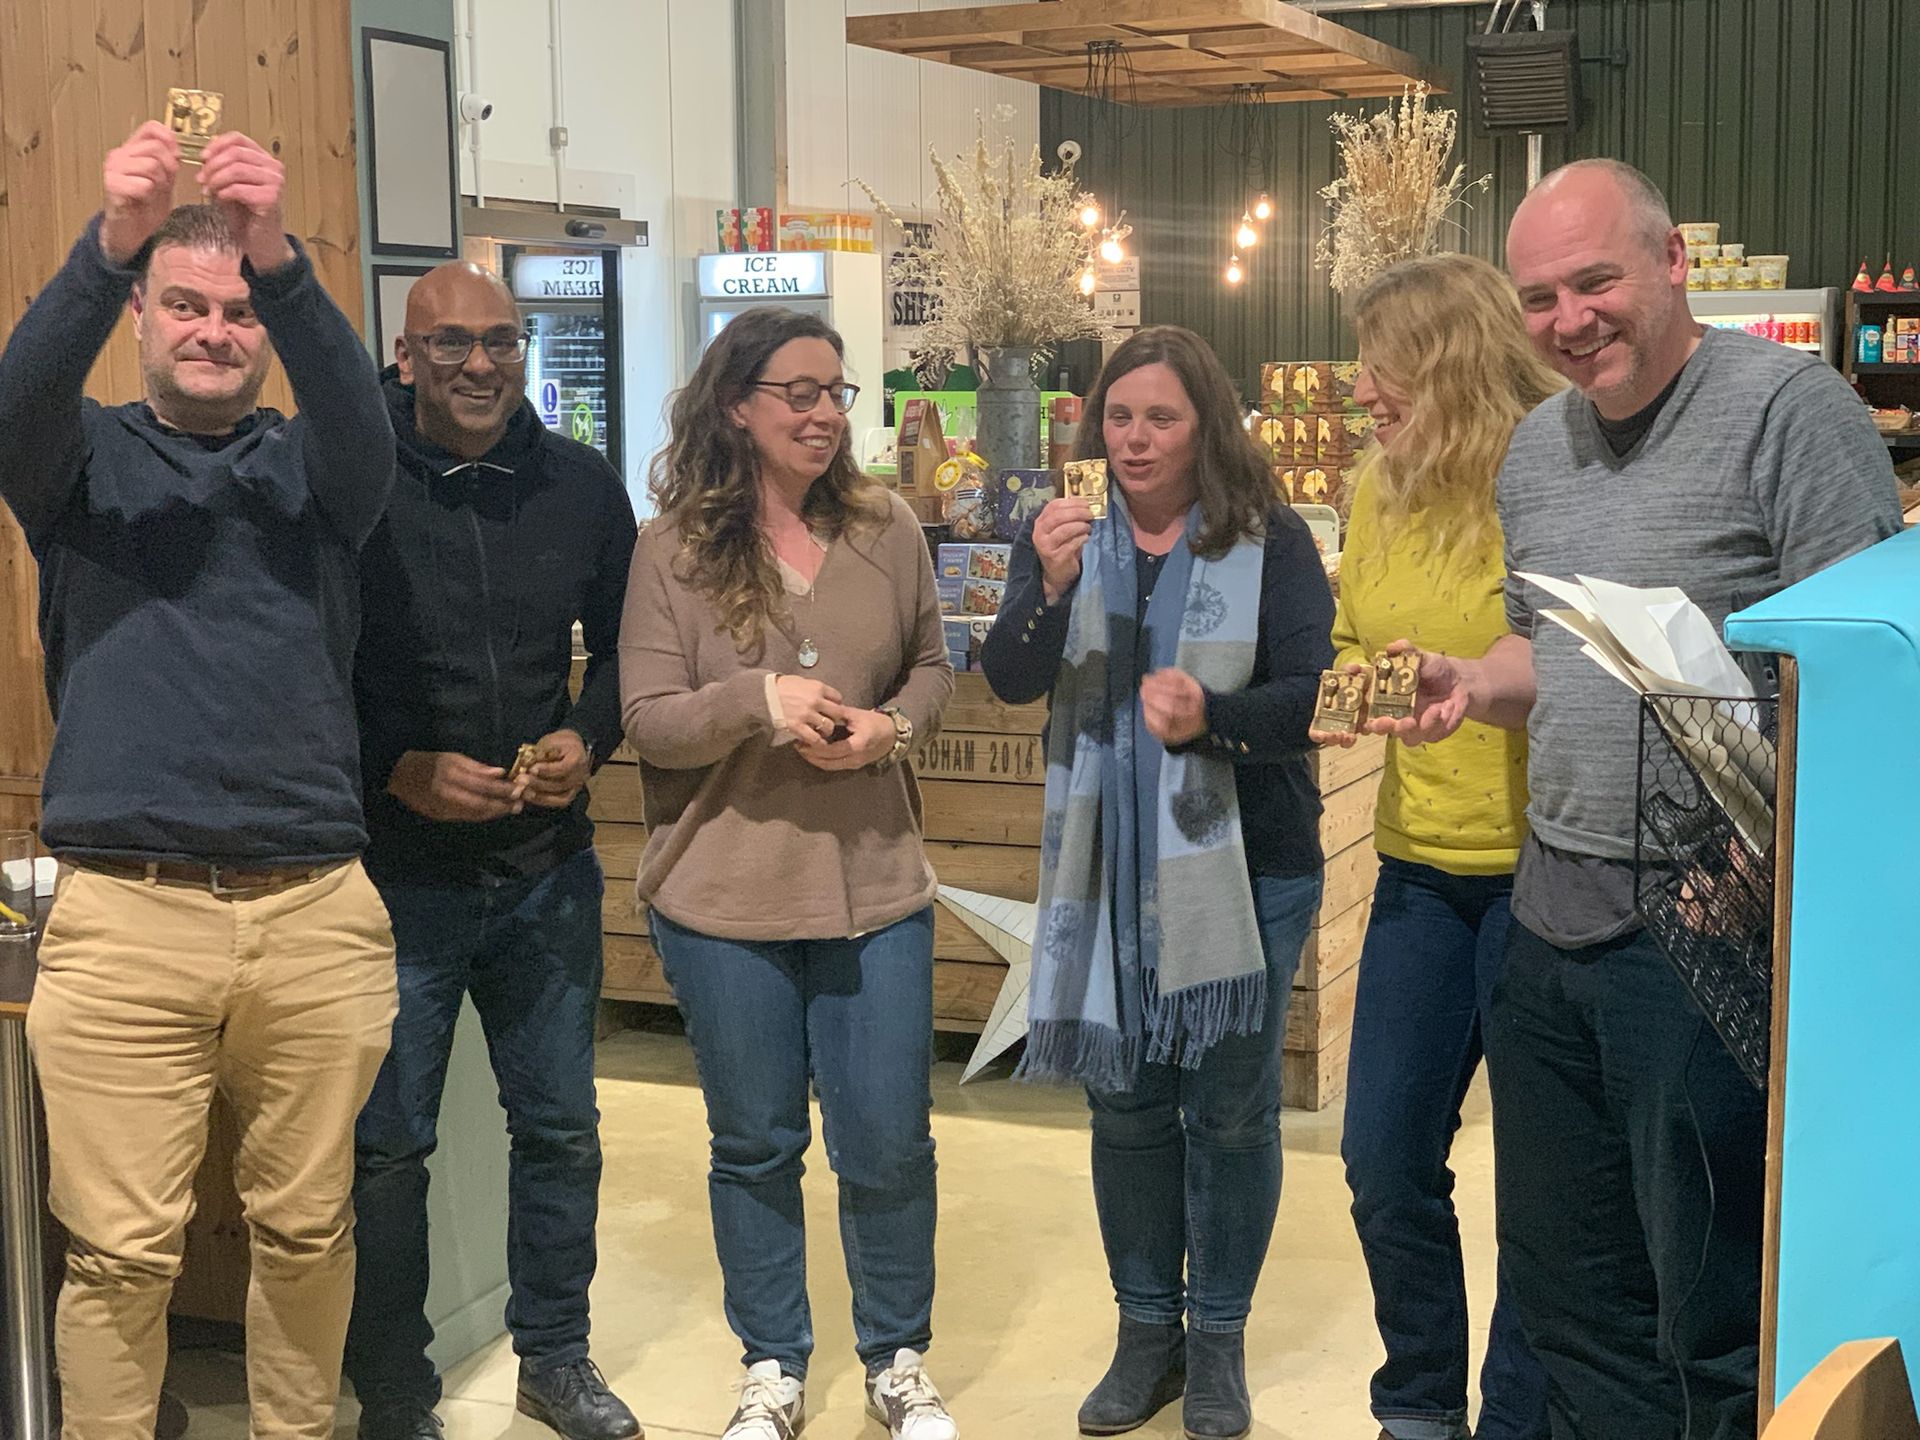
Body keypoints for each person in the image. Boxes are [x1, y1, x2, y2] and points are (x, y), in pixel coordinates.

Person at [1377, 161, 1901, 1440]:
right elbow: (1547, 661)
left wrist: (1777, 855)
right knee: (1575, 1308)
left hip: (1710, 940)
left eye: (1596, 281)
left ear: (1672, 264)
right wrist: (1469, 681)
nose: (1570, 319)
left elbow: (1874, 675)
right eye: (1541, 297)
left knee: (1713, 1315)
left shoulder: (1793, 410)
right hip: (1550, 932)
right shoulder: (1535, 453)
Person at [0, 123, 398, 1439]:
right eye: (186, 304)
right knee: (116, 1259)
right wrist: (111, 239)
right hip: (125, 916)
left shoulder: (316, 473)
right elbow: (16, 398)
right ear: (140, 319)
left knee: (308, 1231)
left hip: (314, 914)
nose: (216, 329)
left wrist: (281, 256)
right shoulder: (78, 467)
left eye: (239, 311)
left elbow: (360, 414)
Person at [980, 326, 1333, 1440]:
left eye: (1161, 418)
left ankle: (1217, 1339)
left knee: (1229, 1115)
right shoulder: (1070, 535)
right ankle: (1147, 1335)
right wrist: (1043, 582)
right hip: (1104, 869)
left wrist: (1212, 720)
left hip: (1245, 872)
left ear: (1206, 426)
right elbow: (1009, 675)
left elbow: (1306, 696)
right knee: (1126, 1109)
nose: (1135, 439)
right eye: (1119, 417)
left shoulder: (1269, 539)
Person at [619, 307, 958, 1440]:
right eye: (798, 394)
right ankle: (771, 1363)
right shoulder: (672, 549)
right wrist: (755, 702)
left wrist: (892, 733)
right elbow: (650, 721)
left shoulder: (887, 527)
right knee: (755, 1144)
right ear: (736, 406)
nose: (822, 415)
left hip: (874, 891)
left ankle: (898, 1357)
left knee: (888, 1141)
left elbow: (930, 665)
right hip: (724, 899)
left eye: (836, 393)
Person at [343, 262, 641, 1440]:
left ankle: (554, 1362)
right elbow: (306, 667)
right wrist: (395, 769)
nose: (481, 365)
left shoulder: (579, 486)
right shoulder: (348, 482)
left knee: (562, 1128)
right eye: (452, 345)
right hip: (390, 879)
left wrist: (586, 735)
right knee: (386, 1153)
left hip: (544, 876)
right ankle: (397, 1392)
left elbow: (631, 654)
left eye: (503, 342)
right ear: (405, 356)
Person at [1309, 254, 1563, 1440]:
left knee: (1544, 1188)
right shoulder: (1377, 486)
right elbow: (1356, 633)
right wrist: (1356, 686)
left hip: (1543, 878)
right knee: (1383, 1157)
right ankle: (1417, 1403)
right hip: (1416, 869)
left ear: (1452, 359)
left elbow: (1585, 666)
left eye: (1383, 363)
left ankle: (1515, 1411)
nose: (1362, 388)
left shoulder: (1550, 475)